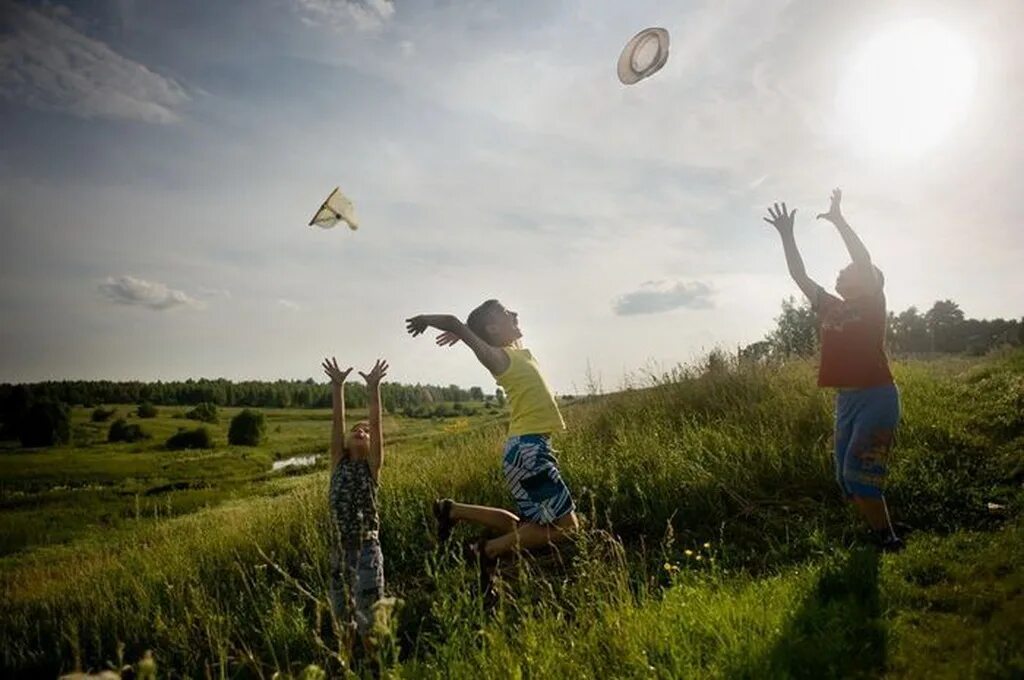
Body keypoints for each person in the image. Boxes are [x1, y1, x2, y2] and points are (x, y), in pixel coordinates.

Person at [763, 189, 903, 552]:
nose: (841, 272)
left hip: (877, 397)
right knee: (845, 479)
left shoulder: (873, 304)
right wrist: (787, 235)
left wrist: (839, 221)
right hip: (846, 401)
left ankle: (888, 539)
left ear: (869, 281)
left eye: (848, 271)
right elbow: (799, 274)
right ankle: (875, 534)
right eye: (841, 270)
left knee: (862, 476)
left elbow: (862, 257)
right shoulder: (829, 306)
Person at [405, 300, 579, 586]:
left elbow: (477, 330)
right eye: (507, 313)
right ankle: (486, 551)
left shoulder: (515, 350)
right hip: (529, 451)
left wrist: (464, 335)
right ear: (493, 328)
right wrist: (428, 320)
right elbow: (452, 319)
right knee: (568, 528)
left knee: (526, 526)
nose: (515, 314)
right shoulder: (499, 359)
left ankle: (453, 510)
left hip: (528, 449)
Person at [321, 356, 390, 650]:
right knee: (342, 617)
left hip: (366, 550)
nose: (361, 432)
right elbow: (338, 422)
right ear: (346, 443)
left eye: (366, 433)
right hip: (338, 549)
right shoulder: (338, 462)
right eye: (356, 431)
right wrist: (338, 387)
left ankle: (374, 666)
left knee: (369, 619)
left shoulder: (371, 467)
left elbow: (375, 420)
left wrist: (372, 387)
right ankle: (347, 666)